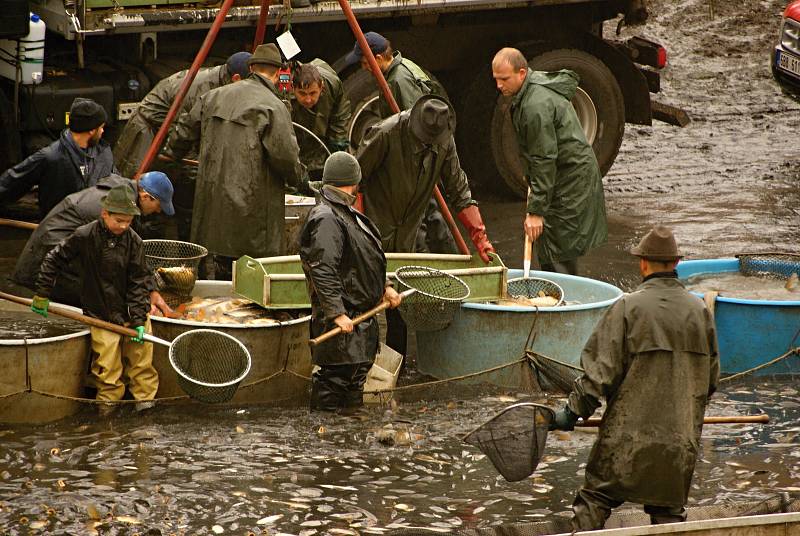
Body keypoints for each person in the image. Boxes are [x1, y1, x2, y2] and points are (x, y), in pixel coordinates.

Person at [549, 225, 720, 531]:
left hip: (626, 441)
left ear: (642, 264)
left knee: (594, 499)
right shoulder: (700, 311)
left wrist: (571, 413)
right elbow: (710, 383)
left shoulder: (627, 307)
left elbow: (597, 376)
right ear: (676, 264)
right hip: (678, 446)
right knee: (668, 512)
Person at [356, 94, 494, 355]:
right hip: (373, 225)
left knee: (398, 304)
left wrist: (480, 237)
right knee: (364, 300)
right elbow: (354, 180)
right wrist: (358, 229)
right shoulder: (385, 134)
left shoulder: (443, 140)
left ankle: (396, 364)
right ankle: (361, 365)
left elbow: (459, 190)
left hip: (407, 232)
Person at [166, 44, 306, 280]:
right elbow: (286, 158)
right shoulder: (273, 106)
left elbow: (182, 134)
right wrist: (302, 182)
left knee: (216, 277)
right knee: (250, 281)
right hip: (253, 211)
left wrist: (172, 157)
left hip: (211, 203)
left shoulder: (213, 96)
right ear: (277, 72)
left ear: (251, 68)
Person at [31, 185, 159, 413]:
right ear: (105, 214)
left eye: (128, 221)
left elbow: (140, 280)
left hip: (132, 312)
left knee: (141, 364)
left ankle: (145, 406)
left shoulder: (135, 242)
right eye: (119, 220)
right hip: (100, 313)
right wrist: (43, 293)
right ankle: (107, 411)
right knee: (107, 369)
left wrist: (139, 320)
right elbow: (54, 259)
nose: (123, 226)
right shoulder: (84, 235)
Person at [299, 152, 402, 412]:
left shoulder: (344, 213)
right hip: (343, 323)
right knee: (333, 382)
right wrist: (336, 313)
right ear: (353, 181)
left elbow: (363, 260)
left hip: (361, 322)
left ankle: (348, 438)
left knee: (354, 382)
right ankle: (324, 440)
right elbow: (322, 268)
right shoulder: (326, 218)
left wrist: (385, 287)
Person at [492, 47, 607, 275]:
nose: (499, 85)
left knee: (558, 247)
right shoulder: (530, 91)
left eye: (504, 79)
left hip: (571, 179)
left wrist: (536, 211)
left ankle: (564, 302)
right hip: (564, 174)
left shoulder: (535, 106)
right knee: (555, 245)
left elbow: (544, 158)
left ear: (522, 73)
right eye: (496, 79)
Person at [114, 51, 252, 241]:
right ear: (237, 79)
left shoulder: (223, 83)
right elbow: (183, 132)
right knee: (142, 193)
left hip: (174, 129)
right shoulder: (202, 89)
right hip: (152, 129)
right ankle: (146, 243)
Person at [347, 31, 456, 254]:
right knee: (430, 211)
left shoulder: (399, 81)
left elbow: (412, 126)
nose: (363, 68)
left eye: (365, 62)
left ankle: (423, 262)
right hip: (422, 157)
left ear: (378, 58)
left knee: (419, 216)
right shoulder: (403, 66)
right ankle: (447, 255)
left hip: (416, 159)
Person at [14, 172, 176, 316]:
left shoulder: (125, 199)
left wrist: (151, 289)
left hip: (63, 252)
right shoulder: (112, 208)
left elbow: (132, 251)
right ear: (146, 196)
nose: (158, 211)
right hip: (46, 262)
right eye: (159, 206)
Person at [0, 98, 115, 218]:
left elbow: (115, 182)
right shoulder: (52, 157)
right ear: (91, 130)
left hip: (95, 228)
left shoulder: (103, 152)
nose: (102, 131)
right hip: (60, 230)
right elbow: (13, 181)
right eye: (101, 127)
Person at [290, 60, 351, 178]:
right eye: (302, 93)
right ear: (293, 88)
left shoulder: (332, 84)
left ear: (321, 87)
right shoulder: (283, 90)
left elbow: (340, 117)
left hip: (322, 131)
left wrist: (337, 151)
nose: (308, 99)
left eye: (312, 93)